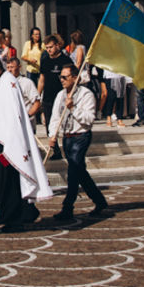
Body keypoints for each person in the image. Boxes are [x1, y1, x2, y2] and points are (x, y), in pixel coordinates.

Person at [0, 55, 51, 231]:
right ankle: (26, 211)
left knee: (6, 181)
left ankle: (13, 221)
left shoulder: (8, 84)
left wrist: (1, 137)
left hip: (7, 146)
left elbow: (12, 115)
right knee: (2, 179)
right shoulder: (1, 84)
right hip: (0, 142)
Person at [47, 61, 108, 224]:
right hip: (67, 137)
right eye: (60, 77)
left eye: (65, 77)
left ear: (75, 78)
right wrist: (52, 135)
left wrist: (73, 108)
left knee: (74, 170)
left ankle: (68, 207)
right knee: (79, 171)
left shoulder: (86, 94)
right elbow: (55, 117)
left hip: (81, 136)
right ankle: (99, 200)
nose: (61, 80)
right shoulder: (60, 95)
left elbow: (89, 120)